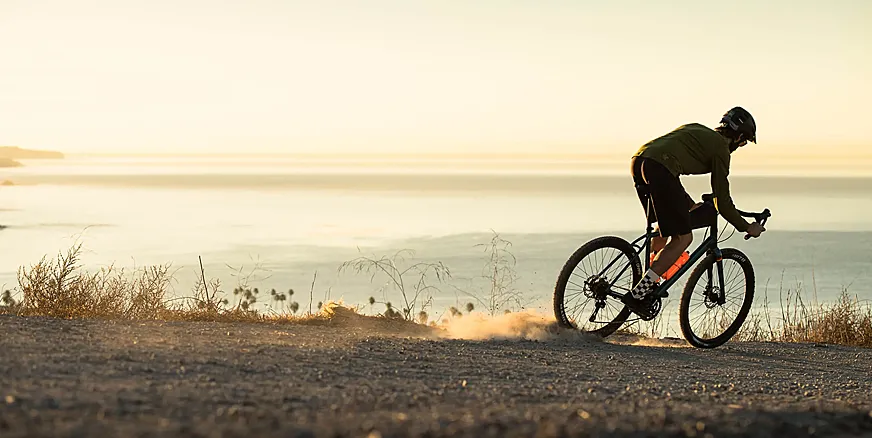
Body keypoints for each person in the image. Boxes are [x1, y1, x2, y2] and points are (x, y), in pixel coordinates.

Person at [621, 107, 766, 313]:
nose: (740, 146)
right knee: (683, 239)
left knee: (664, 230)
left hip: (640, 160)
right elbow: (722, 201)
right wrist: (746, 226)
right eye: (743, 142)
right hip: (660, 168)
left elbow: (671, 173)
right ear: (739, 137)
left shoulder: (698, 129)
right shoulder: (721, 150)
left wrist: (689, 205)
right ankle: (639, 293)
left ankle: (649, 277)